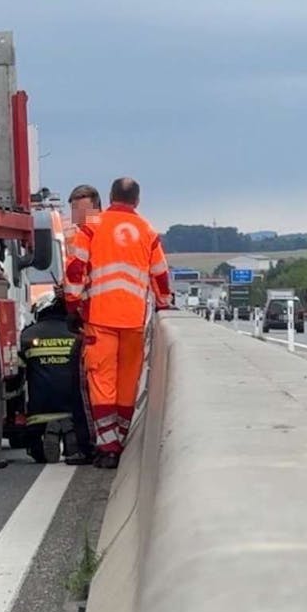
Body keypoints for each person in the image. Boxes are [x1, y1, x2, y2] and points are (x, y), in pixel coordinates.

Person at [71, 177, 173, 469]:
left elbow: (76, 269)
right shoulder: (148, 230)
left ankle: (108, 446)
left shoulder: (92, 225)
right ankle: (122, 437)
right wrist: (164, 302)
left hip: (99, 319)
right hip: (134, 321)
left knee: (102, 380)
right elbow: (160, 276)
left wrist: (71, 305)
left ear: (111, 196)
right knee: (128, 382)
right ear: (137, 201)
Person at [18, 295, 92, 465]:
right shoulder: (77, 335)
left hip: (38, 412)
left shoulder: (28, 335)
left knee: (38, 455)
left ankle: (44, 438)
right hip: (73, 409)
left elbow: (18, 374)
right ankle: (69, 430)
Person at [61, 184, 102, 315]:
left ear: (97, 210)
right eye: (75, 212)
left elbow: (76, 271)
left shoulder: (92, 235)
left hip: (95, 309)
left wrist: (72, 306)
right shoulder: (77, 237)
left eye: (82, 212)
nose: (78, 218)